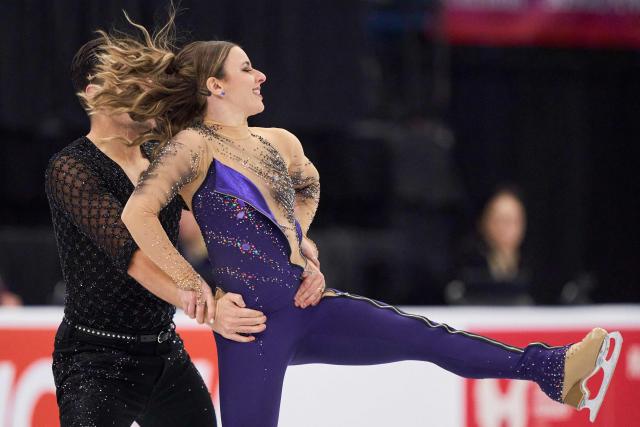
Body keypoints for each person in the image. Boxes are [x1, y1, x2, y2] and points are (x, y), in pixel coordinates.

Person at [84, 12, 622, 426]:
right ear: (215, 86)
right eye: (247, 68)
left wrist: (302, 246)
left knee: (425, 337)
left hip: (311, 305)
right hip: (253, 330)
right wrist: (200, 295)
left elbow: (308, 187)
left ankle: (553, 371)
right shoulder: (191, 147)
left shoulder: (281, 142)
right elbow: (138, 213)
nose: (261, 74)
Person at [44, 36, 277, 426]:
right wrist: (206, 307)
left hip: (164, 353)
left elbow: (220, 214)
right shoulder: (72, 168)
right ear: (94, 92)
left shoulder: (161, 155)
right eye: (134, 81)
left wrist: (295, 246)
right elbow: (131, 255)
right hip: (96, 362)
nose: (151, 90)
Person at [447, 185, 534, 305]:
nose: (505, 228)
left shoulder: (535, 269)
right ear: (484, 223)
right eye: (500, 220)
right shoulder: (467, 269)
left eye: (512, 220)